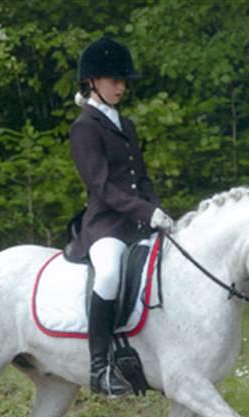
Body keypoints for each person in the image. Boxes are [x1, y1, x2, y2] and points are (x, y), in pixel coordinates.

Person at [68, 37, 174, 396]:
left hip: (136, 222)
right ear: (92, 81)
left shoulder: (125, 124)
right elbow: (102, 186)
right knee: (110, 273)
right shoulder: (85, 126)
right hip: (105, 225)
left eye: (123, 81)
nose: (121, 87)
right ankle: (99, 368)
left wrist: (157, 210)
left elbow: (140, 178)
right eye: (114, 80)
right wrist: (146, 211)